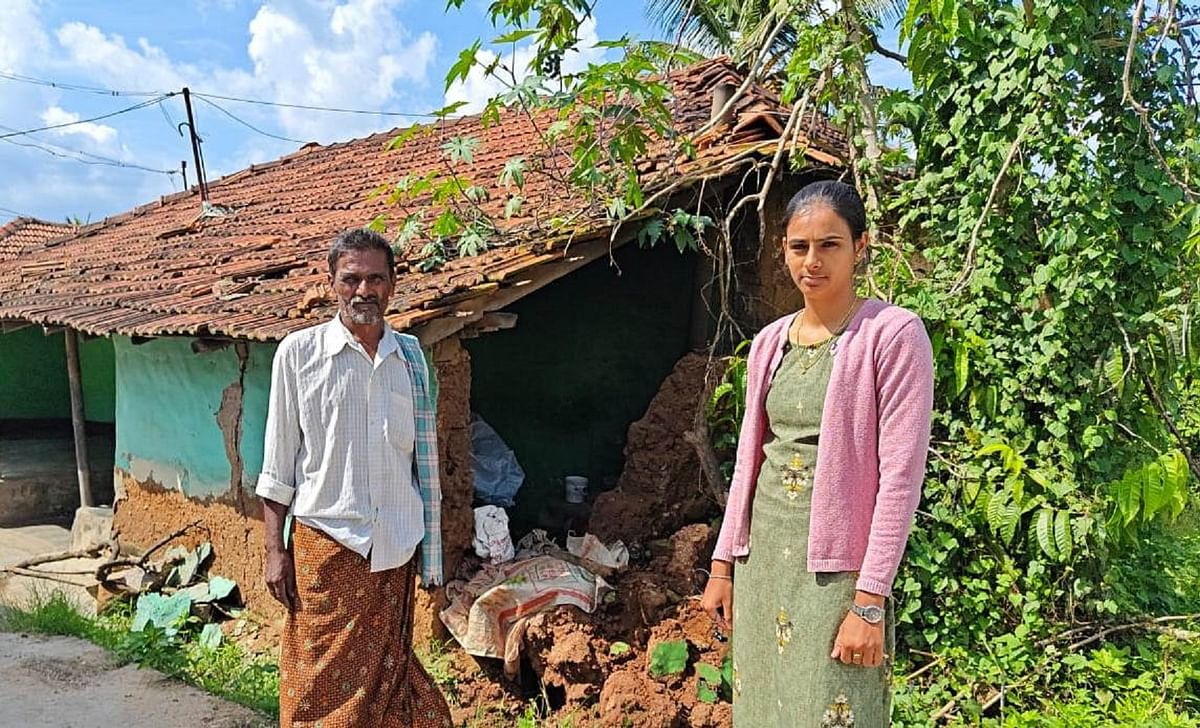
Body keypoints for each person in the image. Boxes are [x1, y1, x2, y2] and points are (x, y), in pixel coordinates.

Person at [701, 181, 934, 726]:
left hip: (837, 575)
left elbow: (900, 477)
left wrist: (870, 599)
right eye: (798, 246)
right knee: (764, 708)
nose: (812, 261)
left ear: (861, 245)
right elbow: (749, 462)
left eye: (830, 244)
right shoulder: (770, 342)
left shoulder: (892, 335)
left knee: (828, 709)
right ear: (783, 250)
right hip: (763, 562)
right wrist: (722, 564)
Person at [256, 228, 453, 727]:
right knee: (315, 684)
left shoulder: (411, 359)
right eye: (351, 279)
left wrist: (431, 555)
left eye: (375, 279)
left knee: (389, 681)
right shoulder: (298, 354)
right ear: (331, 283)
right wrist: (274, 551)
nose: (363, 291)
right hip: (327, 548)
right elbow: (278, 466)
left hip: (394, 549)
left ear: (392, 285)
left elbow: (423, 462)